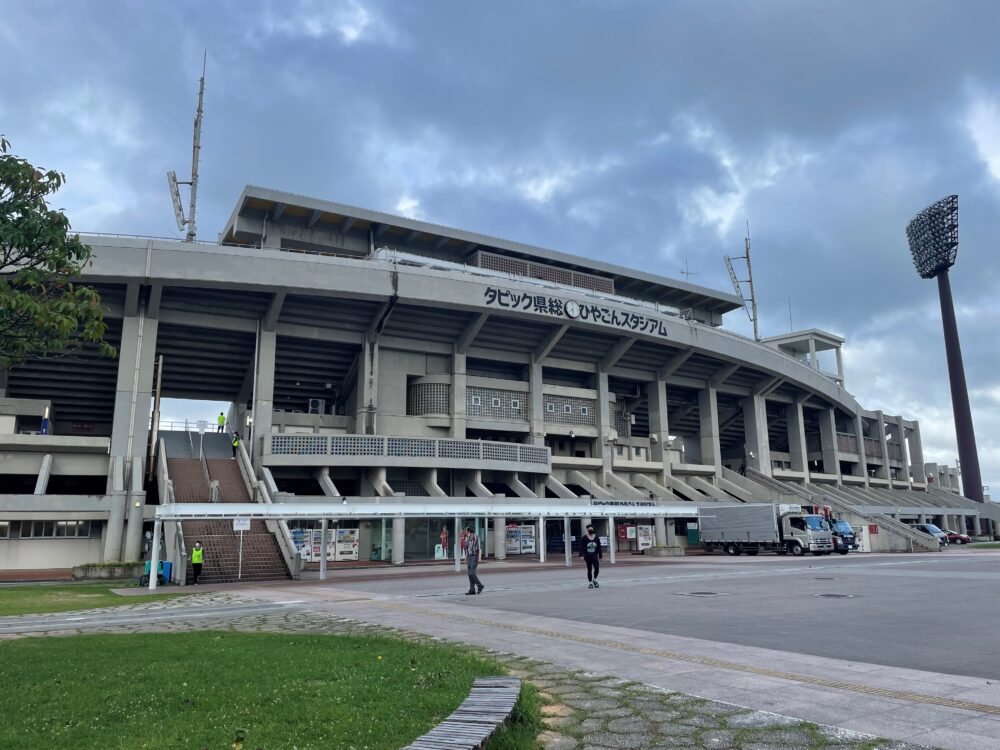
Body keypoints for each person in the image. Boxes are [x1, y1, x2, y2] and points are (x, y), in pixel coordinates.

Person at [463, 527, 484, 595]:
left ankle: (480, 585)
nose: (466, 533)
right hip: (469, 557)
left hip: (474, 556)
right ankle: (472, 589)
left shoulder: (476, 537)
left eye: (466, 531)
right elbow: (467, 549)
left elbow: (479, 548)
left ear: (469, 532)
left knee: (472, 573)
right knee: (469, 574)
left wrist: (479, 557)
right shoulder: (467, 538)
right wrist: (466, 558)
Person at [580, 524, 603, 588]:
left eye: (591, 529)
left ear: (593, 530)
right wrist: (581, 555)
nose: (590, 530)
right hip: (587, 556)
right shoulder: (584, 538)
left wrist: (600, 556)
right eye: (589, 529)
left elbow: (599, 547)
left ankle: (594, 580)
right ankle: (590, 582)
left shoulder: (596, 538)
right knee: (589, 569)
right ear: (587, 530)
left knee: (597, 568)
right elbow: (581, 547)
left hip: (594, 556)